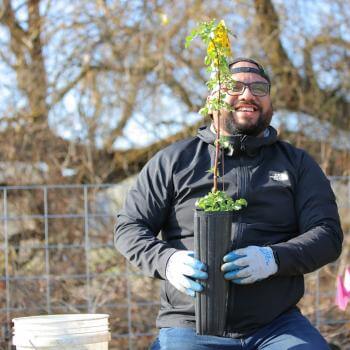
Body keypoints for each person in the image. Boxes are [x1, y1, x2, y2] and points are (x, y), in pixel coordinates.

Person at [114, 57, 343, 349]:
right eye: (234, 86)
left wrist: (273, 259)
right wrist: (166, 260)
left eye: (259, 87)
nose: (248, 94)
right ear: (212, 98)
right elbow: (129, 227)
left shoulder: (297, 164)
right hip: (190, 325)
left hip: (276, 326)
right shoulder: (174, 161)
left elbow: (328, 234)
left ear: (270, 101)